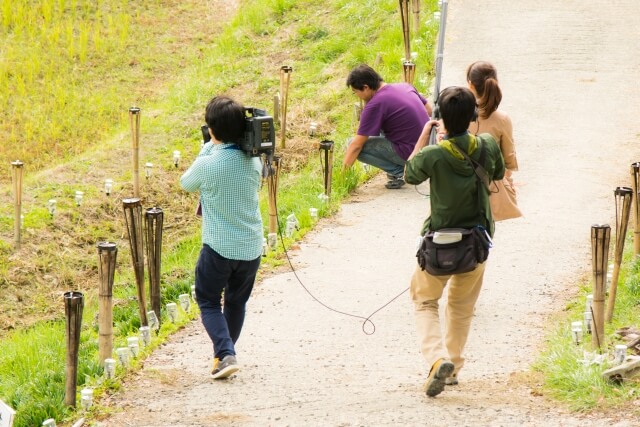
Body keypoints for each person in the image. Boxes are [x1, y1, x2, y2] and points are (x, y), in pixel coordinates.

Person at [404, 86, 505, 397]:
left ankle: (436, 360)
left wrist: (426, 135)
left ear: (441, 119)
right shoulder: (487, 145)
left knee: (424, 301)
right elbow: (498, 172)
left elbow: (409, 173)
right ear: (473, 116)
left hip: (438, 245)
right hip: (475, 245)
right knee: (461, 308)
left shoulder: (434, 154)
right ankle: (453, 368)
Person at [180, 96, 263, 380]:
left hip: (219, 248)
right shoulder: (253, 161)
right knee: (236, 303)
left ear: (211, 129)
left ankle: (225, 354)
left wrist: (206, 149)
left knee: (208, 300)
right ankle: (224, 356)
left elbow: (186, 183)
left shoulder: (209, 163)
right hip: (251, 248)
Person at [343, 64, 431, 189]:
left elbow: (356, 146)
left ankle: (400, 172)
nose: (356, 95)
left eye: (355, 92)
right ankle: (405, 166)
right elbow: (429, 111)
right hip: (429, 147)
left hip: (414, 156)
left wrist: (342, 177)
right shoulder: (404, 86)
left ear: (366, 87)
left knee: (351, 144)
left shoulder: (375, 105)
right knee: (381, 128)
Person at [466, 61, 521, 220]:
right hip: (491, 187)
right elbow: (508, 157)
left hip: (459, 185)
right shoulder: (502, 119)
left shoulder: (458, 113)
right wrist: (507, 181)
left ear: (471, 85)